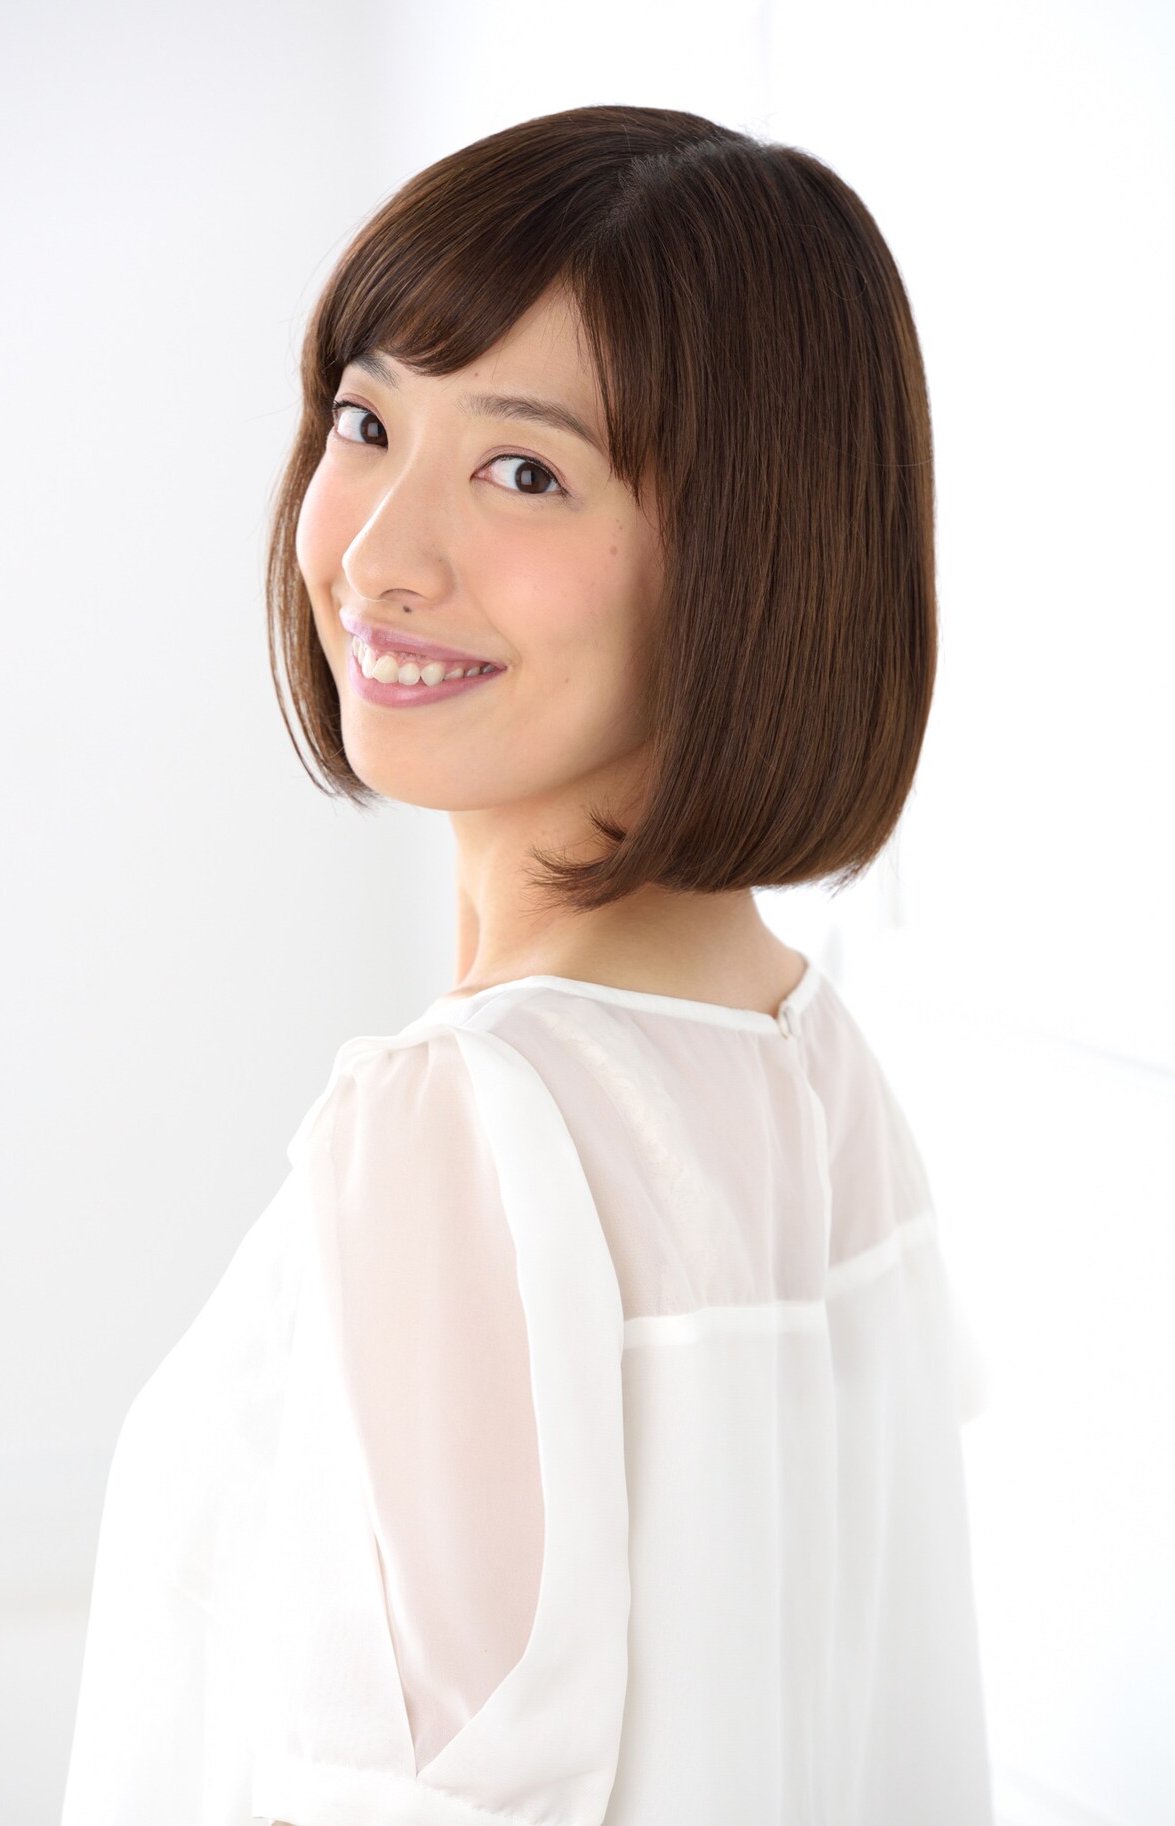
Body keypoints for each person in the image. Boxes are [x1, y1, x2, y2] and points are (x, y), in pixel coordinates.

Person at [61, 103, 994, 1826]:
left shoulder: (464, 1117)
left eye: (524, 472)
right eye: (366, 422)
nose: (375, 554)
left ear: (748, 557)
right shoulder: (814, 1068)